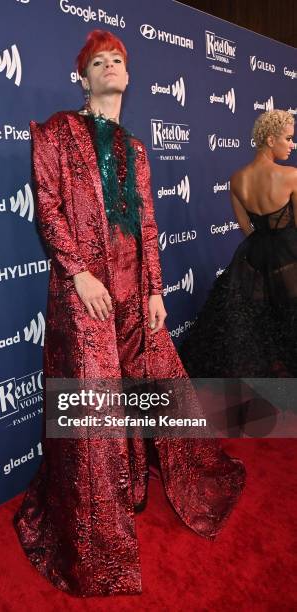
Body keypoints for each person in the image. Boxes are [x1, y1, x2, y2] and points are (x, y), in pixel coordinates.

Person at [13, 30, 245, 597]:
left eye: (118, 60)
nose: (111, 67)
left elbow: (144, 227)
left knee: (154, 387)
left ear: (128, 76)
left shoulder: (137, 151)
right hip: (83, 287)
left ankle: (133, 482)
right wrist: (78, 271)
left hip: (132, 286)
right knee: (95, 405)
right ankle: (93, 538)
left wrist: (155, 290)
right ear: (83, 77)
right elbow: (48, 209)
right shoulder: (53, 134)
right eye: (100, 61)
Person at [180, 110, 297, 379]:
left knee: (264, 323)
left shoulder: (237, 179)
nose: (292, 145)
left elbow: (246, 228)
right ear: (270, 139)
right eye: (289, 139)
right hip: (289, 256)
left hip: (254, 257)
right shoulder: (291, 175)